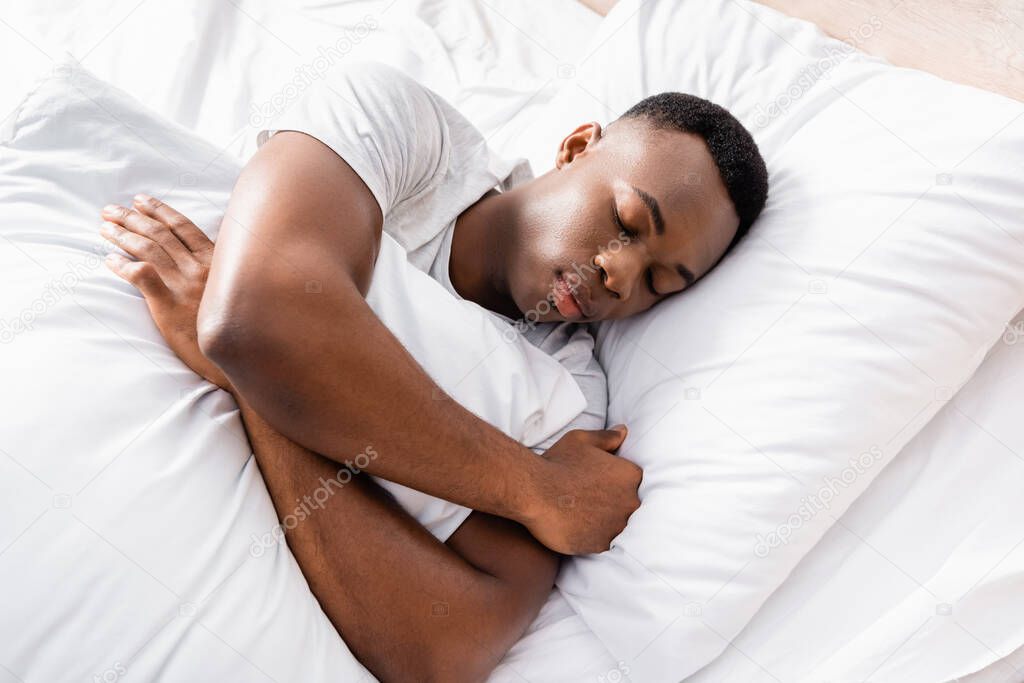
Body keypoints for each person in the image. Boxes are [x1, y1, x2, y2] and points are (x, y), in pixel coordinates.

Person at [97, 61, 768, 682]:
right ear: (576, 147)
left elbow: (442, 649)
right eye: (626, 221)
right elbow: (252, 316)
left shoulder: (572, 400)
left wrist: (248, 386)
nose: (621, 274)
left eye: (659, 280)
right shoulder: (400, 126)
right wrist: (538, 490)